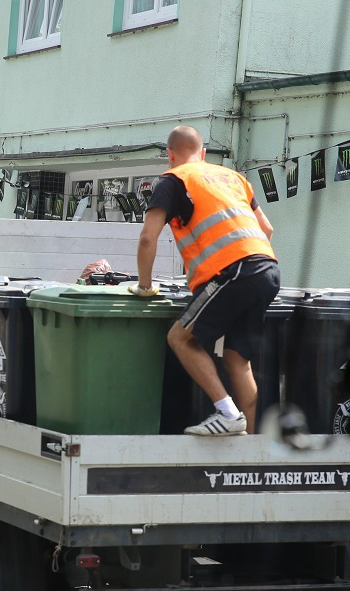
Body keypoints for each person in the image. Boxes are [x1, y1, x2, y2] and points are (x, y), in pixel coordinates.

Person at [133, 125, 278, 437]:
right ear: (203, 153)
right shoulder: (233, 177)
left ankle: (227, 414)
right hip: (267, 270)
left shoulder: (174, 179)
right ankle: (254, 448)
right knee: (238, 360)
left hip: (234, 271)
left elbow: (147, 239)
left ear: (170, 155)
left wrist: (145, 286)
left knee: (180, 338)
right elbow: (266, 229)